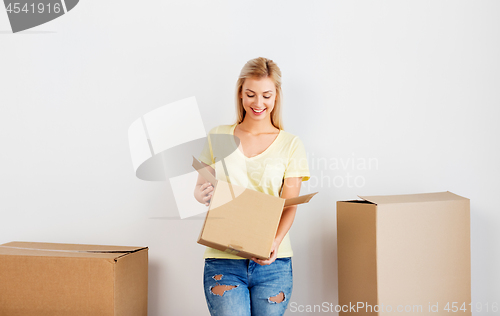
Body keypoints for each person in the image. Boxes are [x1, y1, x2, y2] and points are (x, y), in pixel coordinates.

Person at [194, 57, 310, 316]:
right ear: (240, 94)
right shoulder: (220, 136)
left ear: (276, 96)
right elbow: (200, 186)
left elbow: (289, 204)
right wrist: (200, 192)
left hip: (274, 263)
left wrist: (275, 243)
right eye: (251, 94)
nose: (258, 103)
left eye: (266, 95)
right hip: (224, 259)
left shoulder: (291, 144)